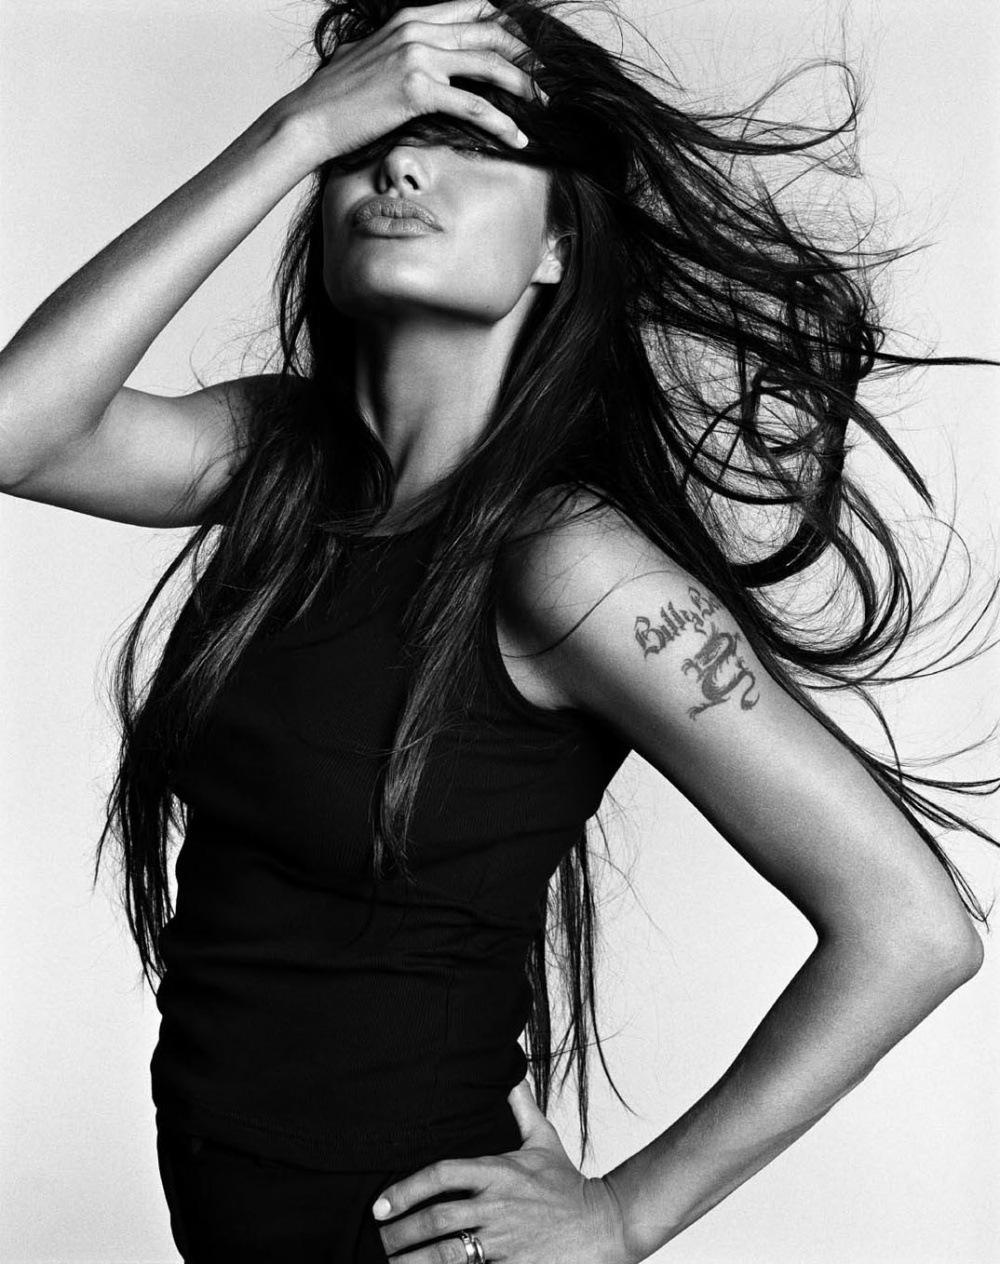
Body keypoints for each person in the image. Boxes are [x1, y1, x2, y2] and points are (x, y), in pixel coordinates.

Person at [1, 0, 997, 1260]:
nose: (400, 169)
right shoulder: (278, 462)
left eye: (469, 144)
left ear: (556, 245)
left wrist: (625, 1215)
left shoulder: (565, 563)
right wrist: (290, 132)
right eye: (369, 143)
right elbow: (17, 432)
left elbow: (911, 928)